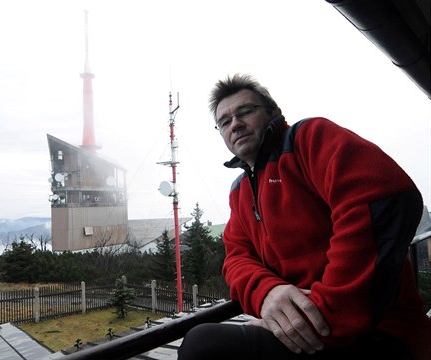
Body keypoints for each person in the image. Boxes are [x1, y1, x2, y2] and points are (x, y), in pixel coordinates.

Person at [177, 74, 431, 360]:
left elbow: (384, 197)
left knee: (203, 345)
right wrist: (267, 292)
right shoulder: (240, 191)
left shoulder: (308, 140)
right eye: (224, 121)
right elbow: (236, 257)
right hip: (308, 334)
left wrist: (324, 313)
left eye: (246, 111)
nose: (235, 123)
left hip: (379, 333)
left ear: (273, 112)